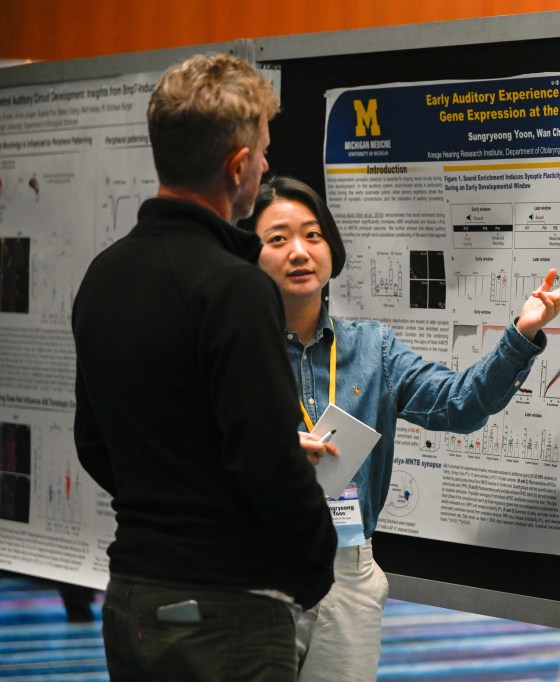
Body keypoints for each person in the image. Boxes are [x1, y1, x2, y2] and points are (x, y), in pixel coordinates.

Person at [238, 175, 560, 681]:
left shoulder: (372, 349)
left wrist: (522, 333)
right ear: (248, 256)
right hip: (255, 565)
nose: (300, 251)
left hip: (347, 570)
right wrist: (267, 451)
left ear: (331, 248)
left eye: (313, 235)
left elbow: (458, 404)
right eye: (278, 239)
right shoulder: (233, 349)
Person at [72, 55, 336, 681]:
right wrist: (316, 558)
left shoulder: (103, 275)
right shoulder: (234, 288)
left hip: (131, 596)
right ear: (237, 166)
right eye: (263, 153)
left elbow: (93, 443)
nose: (266, 167)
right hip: (226, 612)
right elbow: (267, 461)